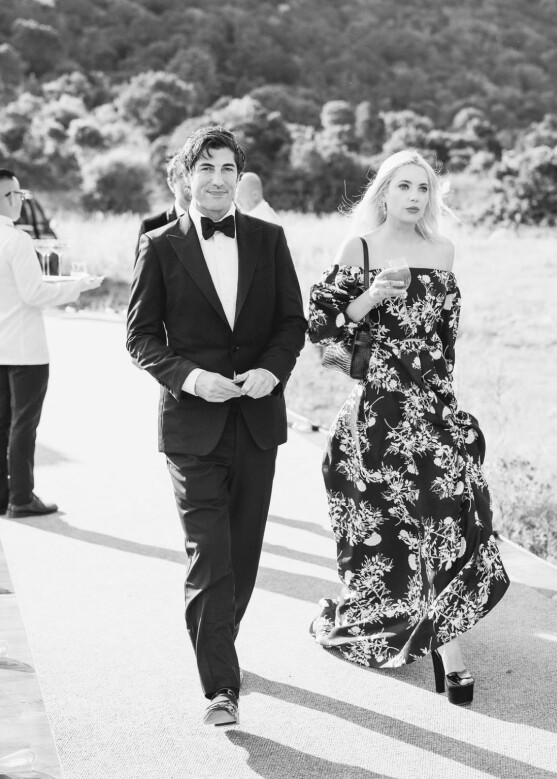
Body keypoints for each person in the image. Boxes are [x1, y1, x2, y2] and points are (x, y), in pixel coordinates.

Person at [307, 149, 509, 705]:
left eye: (424, 188)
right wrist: (371, 296)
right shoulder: (360, 247)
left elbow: (445, 339)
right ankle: (451, 654)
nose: (415, 197)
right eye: (404, 186)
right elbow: (323, 323)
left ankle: (445, 641)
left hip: (433, 403)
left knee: (449, 517)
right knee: (404, 522)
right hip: (381, 406)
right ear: (383, 192)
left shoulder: (443, 250)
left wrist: (447, 405)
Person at [126, 126, 306, 726]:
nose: (218, 179)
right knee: (210, 554)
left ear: (239, 177)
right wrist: (191, 378)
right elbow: (140, 337)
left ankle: (220, 642)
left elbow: (291, 322)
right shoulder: (158, 246)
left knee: (244, 554)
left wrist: (271, 371)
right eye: (205, 167)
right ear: (185, 177)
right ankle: (221, 688)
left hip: (256, 420)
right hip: (192, 426)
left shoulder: (269, 239)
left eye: (228, 168)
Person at [0, 168, 103, 518]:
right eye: (16, 194)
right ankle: (21, 497)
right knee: (23, 424)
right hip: (24, 349)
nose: (20, 200)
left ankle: (2, 495)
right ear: (6, 198)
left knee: (1, 423)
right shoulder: (16, 240)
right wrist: (78, 286)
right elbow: (34, 294)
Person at [134, 151, 191, 261]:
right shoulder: (151, 227)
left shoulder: (211, 222)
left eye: (191, 174)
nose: (189, 181)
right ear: (171, 184)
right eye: (182, 175)